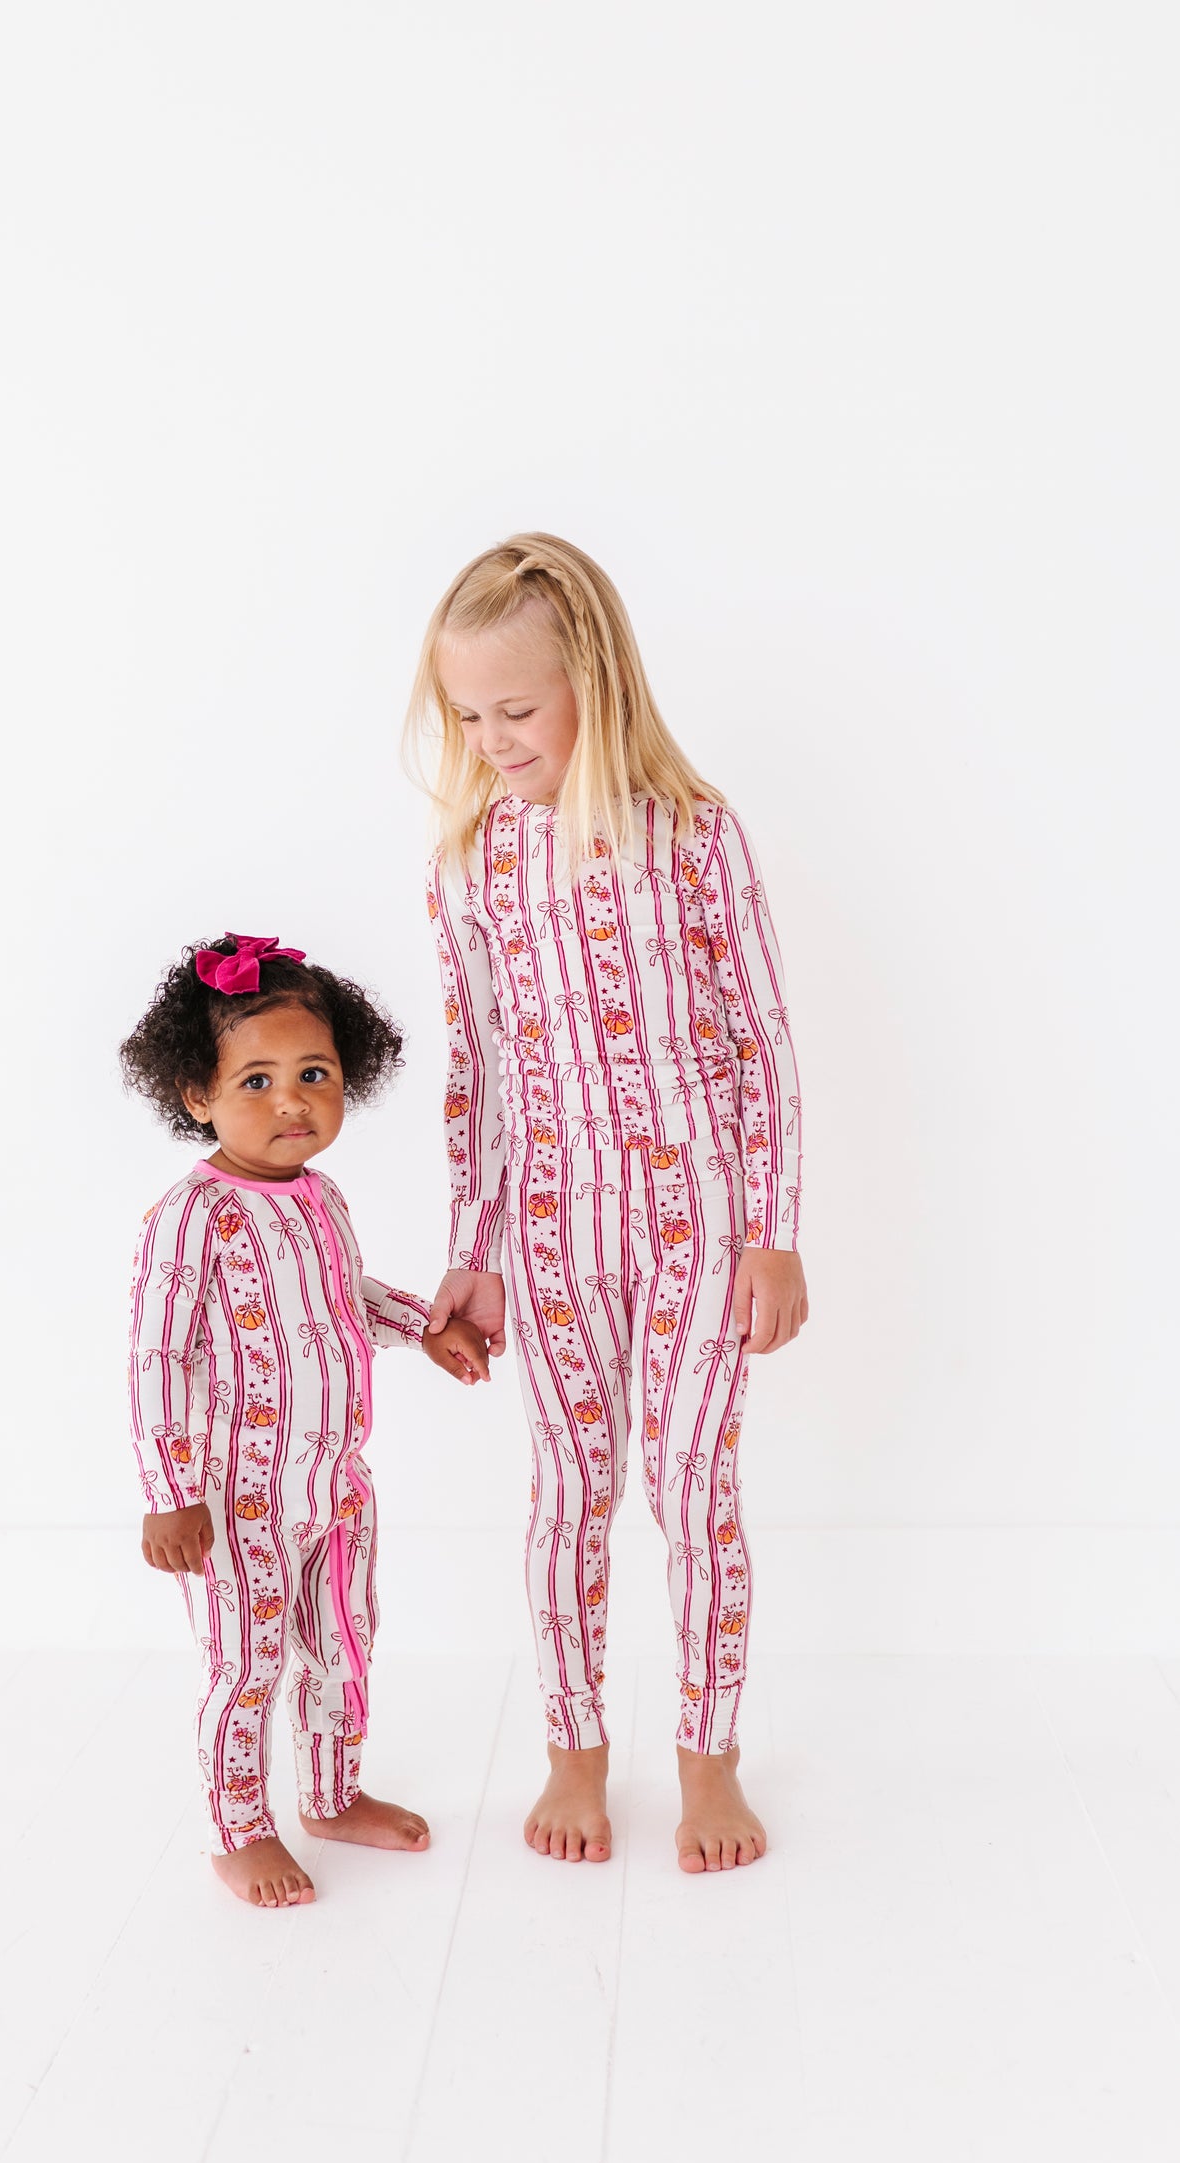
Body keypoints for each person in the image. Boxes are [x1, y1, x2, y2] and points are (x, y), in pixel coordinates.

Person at [413, 536, 809, 1874]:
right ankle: (572, 1751)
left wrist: (774, 1233)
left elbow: (760, 1042)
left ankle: (708, 1760)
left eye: (516, 709)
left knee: (694, 1491)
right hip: (550, 1232)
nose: (491, 740)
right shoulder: (469, 859)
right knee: (568, 1492)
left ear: (592, 680)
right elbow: (477, 1068)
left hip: (701, 1221)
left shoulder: (694, 835)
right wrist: (473, 1249)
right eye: (468, 715)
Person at [119, 932, 489, 1907]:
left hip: (336, 1484)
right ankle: (238, 1826)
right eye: (257, 1081)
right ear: (195, 1094)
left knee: (343, 1641)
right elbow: (158, 1360)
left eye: (313, 1074)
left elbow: (342, 1295)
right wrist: (170, 1495)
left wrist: (426, 1327)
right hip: (235, 1503)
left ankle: (330, 1794)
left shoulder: (320, 1196)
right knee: (246, 1666)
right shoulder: (191, 1217)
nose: (291, 1102)